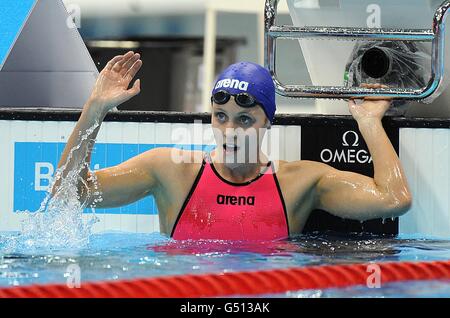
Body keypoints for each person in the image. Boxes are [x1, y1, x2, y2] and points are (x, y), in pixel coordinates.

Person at [52, 51, 412, 241]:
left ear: (267, 122)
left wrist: (368, 123)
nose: (230, 131)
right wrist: (94, 110)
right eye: (220, 117)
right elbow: (70, 192)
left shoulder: (298, 181)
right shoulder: (171, 170)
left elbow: (394, 200)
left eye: (244, 120)